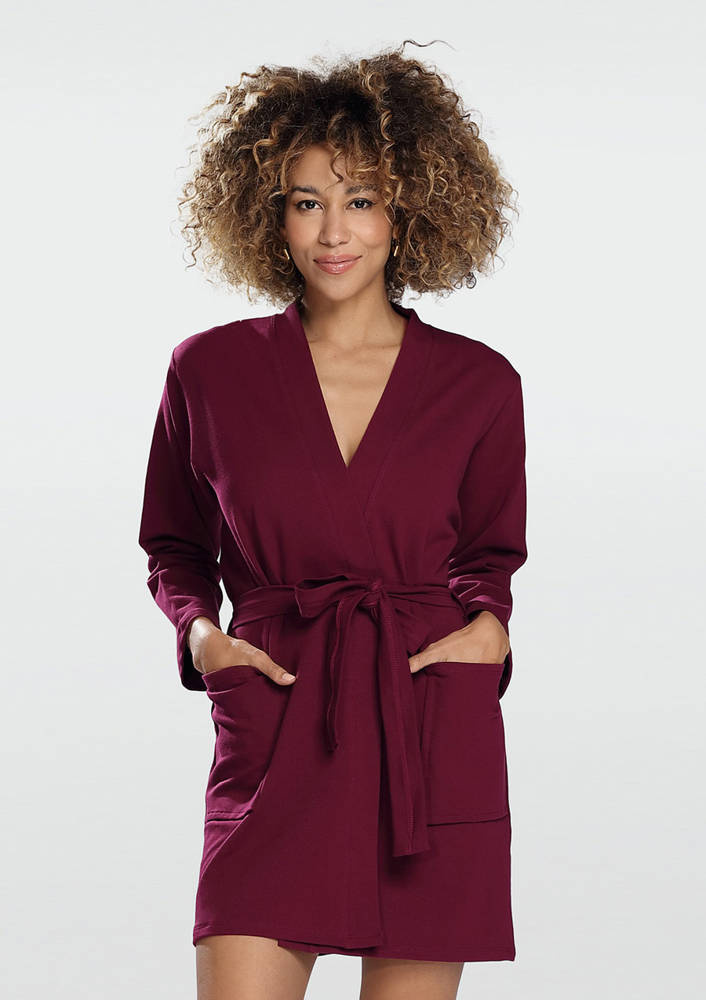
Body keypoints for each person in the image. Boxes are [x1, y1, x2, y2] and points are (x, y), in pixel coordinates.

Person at [138, 41, 528, 1000]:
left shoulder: (480, 382)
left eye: (360, 200)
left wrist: (489, 628)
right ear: (269, 214)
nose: (333, 233)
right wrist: (201, 636)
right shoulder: (209, 370)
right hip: (280, 714)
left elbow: (488, 551)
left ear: (408, 209)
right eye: (306, 202)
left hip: (424, 717)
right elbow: (174, 541)